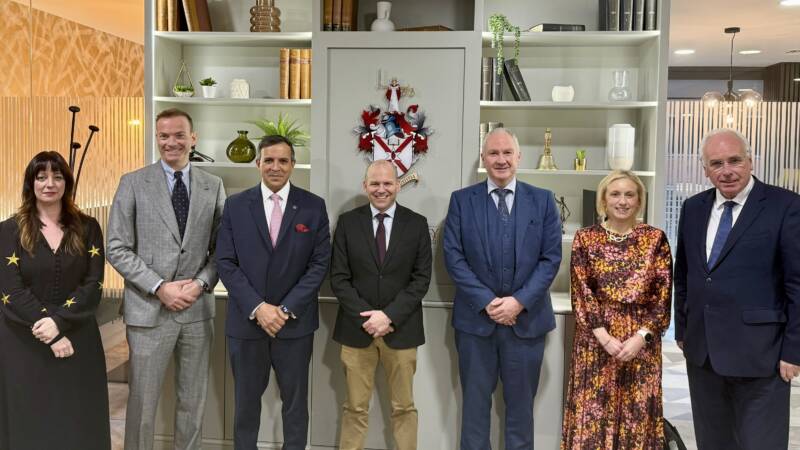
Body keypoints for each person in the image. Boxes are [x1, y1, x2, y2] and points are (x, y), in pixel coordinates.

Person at [106, 108, 226, 450]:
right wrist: (159, 287)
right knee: (142, 404)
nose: (170, 142)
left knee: (193, 402)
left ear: (193, 138)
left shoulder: (213, 185)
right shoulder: (132, 182)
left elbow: (222, 249)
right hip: (148, 311)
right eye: (163, 136)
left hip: (196, 311)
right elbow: (116, 246)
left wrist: (201, 283)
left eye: (178, 135)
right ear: (156, 138)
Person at [674, 128, 800, 449]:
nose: (726, 170)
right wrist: (683, 330)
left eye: (735, 161)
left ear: (751, 161)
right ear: (705, 169)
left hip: (762, 355)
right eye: (716, 163)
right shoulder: (693, 208)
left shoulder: (785, 206)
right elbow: (685, 274)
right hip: (703, 355)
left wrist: (793, 349)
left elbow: (797, 283)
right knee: (713, 442)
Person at [443, 127, 562, 450]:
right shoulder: (461, 201)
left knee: (521, 412)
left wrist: (518, 302)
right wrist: (489, 302)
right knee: (475, 410)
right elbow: (454, 258)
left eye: (507, 152)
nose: (501, 159)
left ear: (518, 157)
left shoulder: (542, 200)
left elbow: (551, 259)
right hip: (475, 326)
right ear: (483, 159)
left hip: (527, 323)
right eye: (493, 153)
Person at [215, 135, 331, 450]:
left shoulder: (313, 206)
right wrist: (258, 307)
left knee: (295, 406)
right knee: (245, 407)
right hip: (247, 324)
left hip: (294, 325)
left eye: (283, 161)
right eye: (269, 160)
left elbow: (319, 265)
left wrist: (284, 309)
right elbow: (225, 261)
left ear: (293, 164)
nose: (275, 167)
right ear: (258, 164)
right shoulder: (236, 205)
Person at [0, 151, 109, 449]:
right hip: (24, 340)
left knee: (78, 419)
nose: (50, 183)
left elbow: (93, 284)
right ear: (30, 183)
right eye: (42, 177)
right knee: (30, 420)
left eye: (58, 177)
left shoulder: (88, 228)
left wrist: (59, 324)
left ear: (67, 183)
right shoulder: (8, 230)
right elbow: (11, 290)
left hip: (78, 337)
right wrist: (47, 329)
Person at [561, 170, 672, 450]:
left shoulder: (655, 239)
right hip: (594, 342)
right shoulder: (585, 239)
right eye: (615, 194)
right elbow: (582, 291)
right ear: (603, 200)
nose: (622, 201)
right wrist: (604, 337)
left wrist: (640, 338)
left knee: (636, 416)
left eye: (629, 194)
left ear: (639, 201)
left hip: (641, 344)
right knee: (592, 415)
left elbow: (662, 296)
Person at [330, 160, 432, 450]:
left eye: (388, 183)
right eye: (374, 183)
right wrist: (368, 317)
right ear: (365, 186)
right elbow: (339, 278)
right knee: (354, 408)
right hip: (356, 330)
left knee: (403, 408)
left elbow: (421, 280)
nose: (381, 189)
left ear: (398, 186)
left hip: (401, 331)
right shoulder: (348, 223)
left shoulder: (417, 224)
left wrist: (388, 316)